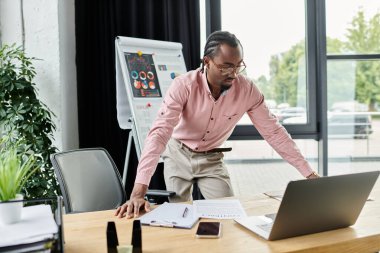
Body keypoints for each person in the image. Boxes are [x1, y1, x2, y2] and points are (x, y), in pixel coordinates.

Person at [115, 31, 319, 219]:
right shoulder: (183, 86)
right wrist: (138, 192)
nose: (233, 73)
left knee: (230, 215)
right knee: (180, 215)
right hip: (177, 153)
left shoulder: (247, 90)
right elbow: (160, 133)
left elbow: (274, 132)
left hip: (212, 157)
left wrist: (309, 174)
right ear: (207, 62)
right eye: (226, 66)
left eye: (238, 65)